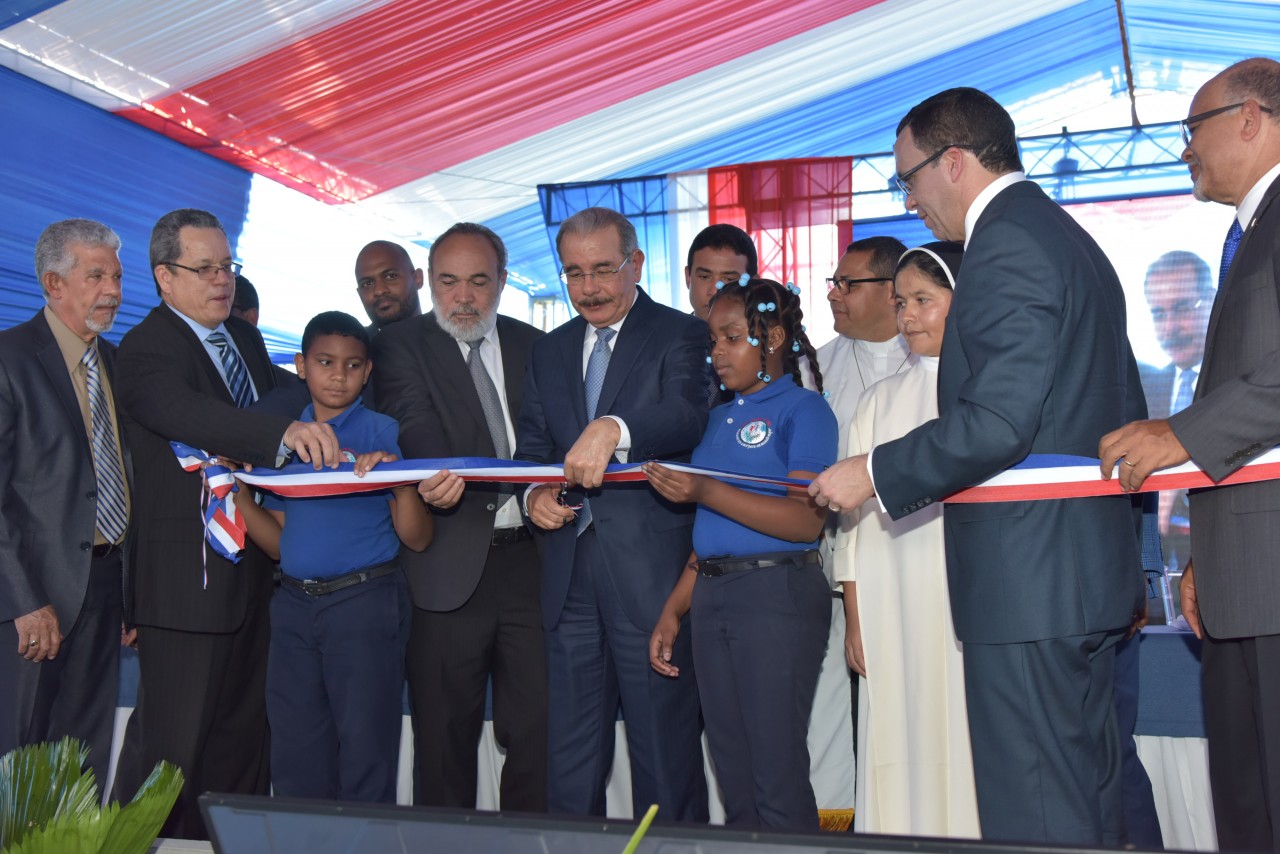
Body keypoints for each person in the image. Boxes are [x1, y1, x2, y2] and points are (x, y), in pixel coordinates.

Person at [810, 88, 1146, 845]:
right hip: (1074, 576)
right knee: (1081, 802)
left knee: (1034, 813)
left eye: (908, 178)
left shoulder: (1007, 245)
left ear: (952, 162)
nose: (910, 199)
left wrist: (874, 470)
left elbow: (998, 419)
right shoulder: (1062, 237)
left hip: (1030, 582)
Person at [1099, 57, 1280, 853]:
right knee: (1247, 804)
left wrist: (1178, 434)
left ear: (1251, 119)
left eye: (1192, 130)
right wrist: (1206, 552)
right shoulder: (1247, 232)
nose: (1184, 151)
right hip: (1244, 569)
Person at [112, 208, 340, 838]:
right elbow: (187, 412)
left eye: (228, 266)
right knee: (170, 753)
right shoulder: (146, 348)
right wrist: (280, 433)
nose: (222, 281)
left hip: (253, 574)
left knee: (241, 746)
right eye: (205, 268)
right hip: (185, 582)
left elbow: (282, 393)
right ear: (164, 276)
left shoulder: (239, 339)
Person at [516, 206, 709, 820]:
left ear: (637, 265)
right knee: (569, 756)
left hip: (651, 577)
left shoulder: (681, 333)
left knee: (664, 750)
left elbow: (687, 413)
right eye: (573, 273)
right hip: (567, 576)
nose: (588, 288)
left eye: (602, 269)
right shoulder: (548, 351)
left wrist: (614, 427)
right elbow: (533, 452)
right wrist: (532, 498)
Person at [646, 278, 835, 831]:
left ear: (773, 337)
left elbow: (805, 521)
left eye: (732, 338)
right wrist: (674, 609)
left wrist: (706, 489)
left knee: (774, 769)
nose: (718, 353)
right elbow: (712, 534)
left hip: (776, 594)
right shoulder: (718, 416)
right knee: (732, 769)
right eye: (712, 341)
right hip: (713, 593)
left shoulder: (805, 410)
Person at [373, 223, 548, 811]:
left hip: (534, 564)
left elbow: (551, 440)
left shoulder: (536, 346)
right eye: (449, 281)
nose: (463, 297)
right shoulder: (398, 346)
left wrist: (537, 494)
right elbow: (413, 419)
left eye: (478, 281)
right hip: (446, 569)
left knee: (535, 737)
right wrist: (435, 470)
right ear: (430, 281)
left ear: (502, 282)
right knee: (444, 742)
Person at [234, 310, 430, 803]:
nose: (338, 375)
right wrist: (236, 496)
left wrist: (400, 482)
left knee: (365, 747)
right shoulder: (283, 439)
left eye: (352, 365)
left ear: (367, 372)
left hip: (364, 602)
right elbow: (279, 540)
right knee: (296, 746)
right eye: (325, 362)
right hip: (295, 605)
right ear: (301, 365)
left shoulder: (381, 433)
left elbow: (419, 538)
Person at [835, 241, 979, 837]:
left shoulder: (987, 402)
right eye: (900, 303)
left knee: (963, 735)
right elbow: (851, 528)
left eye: (924, 300)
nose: (908, 316)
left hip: (959, 597)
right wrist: (856, 618)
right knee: (897, 731)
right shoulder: (877, 400)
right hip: (889, 597)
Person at [0, 219, 129, 789]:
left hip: (106, 589)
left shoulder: (119, 366)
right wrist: (26, 601)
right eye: (96, 275)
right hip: (32, 599)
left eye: (117, 277)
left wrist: (133, 593)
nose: (112, 290)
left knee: (80, 766)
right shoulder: (9, 359)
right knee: (19, 758)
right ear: (54, 284)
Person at [809, 234, 909, 823]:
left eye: (849, 284)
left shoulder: (935, 361)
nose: (835, 295)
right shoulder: (812, 366)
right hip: (824, 571)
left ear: (891, 291)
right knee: (825, 720)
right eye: (834, 282)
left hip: (904, 570)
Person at [1137, 251, 1214, 567]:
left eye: (1182, 308)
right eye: (1158, 314)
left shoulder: (1238, 385)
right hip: (1160, 577)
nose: (1170, 328)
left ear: (1211, 300)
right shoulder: (1143, 387)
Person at [683, 223, 758, 320]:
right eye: (704, 277)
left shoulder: (772, 334)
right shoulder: (666, 334)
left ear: (753, 284)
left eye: (729, 279)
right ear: (688, 278)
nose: (714, 291)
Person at [355, 240, 424, 333]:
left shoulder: (448, 336)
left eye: (391, 276)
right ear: (359, 294)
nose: (379, 290)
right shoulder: (355, 346)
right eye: (367, 284)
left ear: (418, 278)